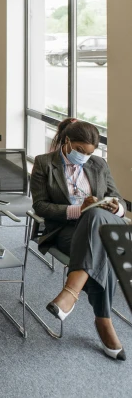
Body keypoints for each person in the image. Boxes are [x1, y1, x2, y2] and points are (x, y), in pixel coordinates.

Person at [31, 119, 128, 360]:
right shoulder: (44, 163)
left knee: (96, 215)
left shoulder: (99, 164)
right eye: (81, 151)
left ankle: (70, 292)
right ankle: (103, 321)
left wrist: (116, 207)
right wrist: (77, 210)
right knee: (102, 245)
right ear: (67, 142)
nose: (85, 157)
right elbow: (40, 205)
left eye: (90, 153)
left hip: (106, 223)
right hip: (66, 229)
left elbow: (120, 201)